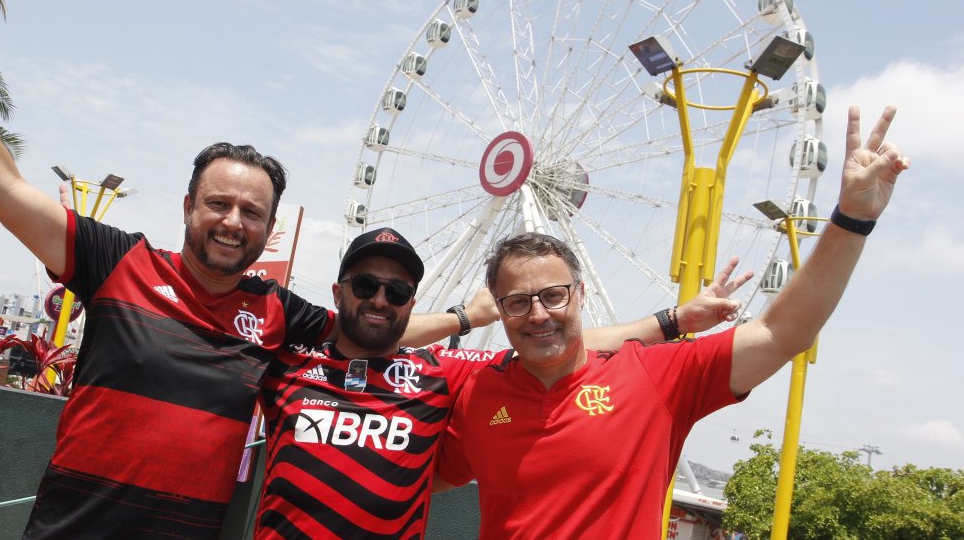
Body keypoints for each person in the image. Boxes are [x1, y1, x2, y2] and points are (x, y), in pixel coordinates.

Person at [0, 0, 491, 538]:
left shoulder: (274, 311)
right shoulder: (118, 262)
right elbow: (0, 185)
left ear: (267, 228)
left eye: (251, 212)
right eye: (219, 204)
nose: (233, 222)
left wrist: (468, 316)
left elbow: (370, 325)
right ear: (188, 208)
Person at [433, 106, 910, 538]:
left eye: (553, 296)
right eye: (517, 302)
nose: (538, 315)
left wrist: (851, 219)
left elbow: (781, 332)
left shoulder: (653, 377)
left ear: (581, 295)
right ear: (498, 308)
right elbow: (424, 475)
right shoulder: (477, 394)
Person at [255, 227, 751, 538]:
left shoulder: (442, 373)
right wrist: (464, 316)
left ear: (410, 302)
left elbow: (559, 340)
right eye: (365, 286)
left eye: (398, 291)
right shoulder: (284, 364)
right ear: (341, 291)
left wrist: (673, 319)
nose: (381, 300)